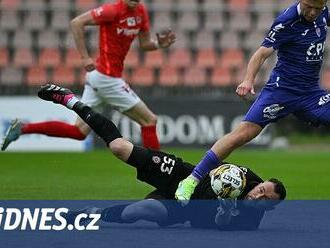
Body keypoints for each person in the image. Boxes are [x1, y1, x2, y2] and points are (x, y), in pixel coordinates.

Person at [37, 83, 286, 230]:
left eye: (264, 199)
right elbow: (216, 170)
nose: (258, 194)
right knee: (118, 148)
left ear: (270, 209)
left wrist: (223, 211)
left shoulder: (250, 220)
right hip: (183, 175)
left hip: (184, 210)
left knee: (137, 212)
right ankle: (70, 100)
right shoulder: (246, 178)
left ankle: (92, 213)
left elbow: (215, 226)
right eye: (263, 189)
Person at [175, 0, 330, 202]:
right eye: (309, 6)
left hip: (310, 94)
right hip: (281, 91)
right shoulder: (286, 21)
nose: (313, 12)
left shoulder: (322, 13)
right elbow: (261, 53)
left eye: (318, 8)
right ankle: (191, 180)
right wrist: (248, 80)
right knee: (242, 134)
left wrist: (320, 11)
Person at [1, 0, 176, 151]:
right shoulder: (112, 10)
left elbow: (145, 44)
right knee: (149, 120)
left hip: (100, 78)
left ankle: (23, 128)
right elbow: (77, 22)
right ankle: (159, 174)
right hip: (107, 78)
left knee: (79, 132)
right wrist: (85, 57)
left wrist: (159, 44)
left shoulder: (140, 12)